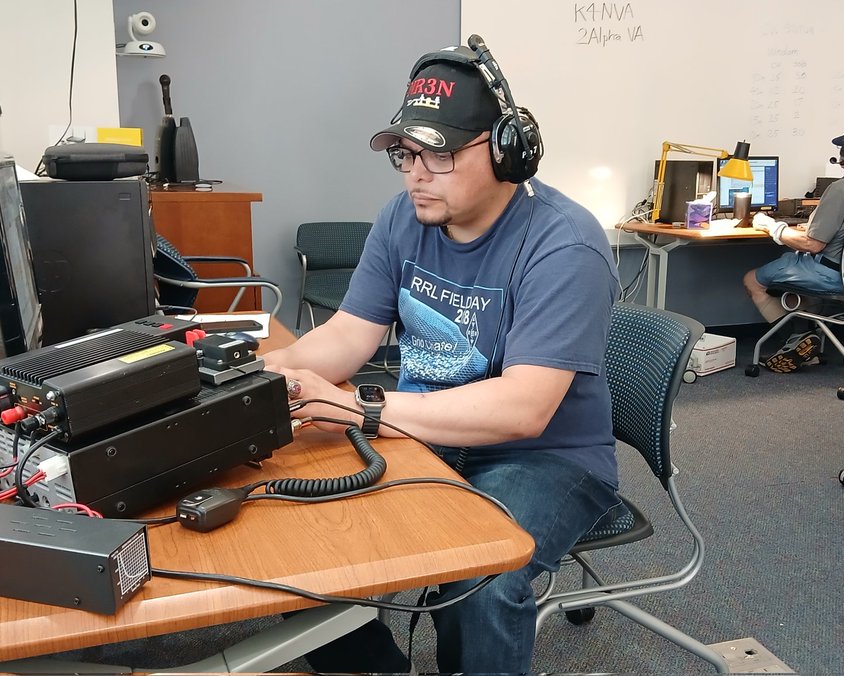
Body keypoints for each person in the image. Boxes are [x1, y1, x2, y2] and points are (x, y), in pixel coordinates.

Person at [261, 39, 621, 674]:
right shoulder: (403, 216)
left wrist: (360, 409)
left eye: (441, 153)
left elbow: (524, 408)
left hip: (545, 458)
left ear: (509, 149)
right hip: (424, 433)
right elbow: (349, 332)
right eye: (407, 153)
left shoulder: (565, 245)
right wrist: (268, 375)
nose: (415, 173)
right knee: (300, 546)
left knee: (478, 577)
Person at [742, 119, 844, 373]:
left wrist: (771, 226)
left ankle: (795, 342)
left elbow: (813, 244)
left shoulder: (842, 188)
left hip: (834, 276)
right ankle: (809, 337)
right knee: (803, 278)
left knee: (753, 280)